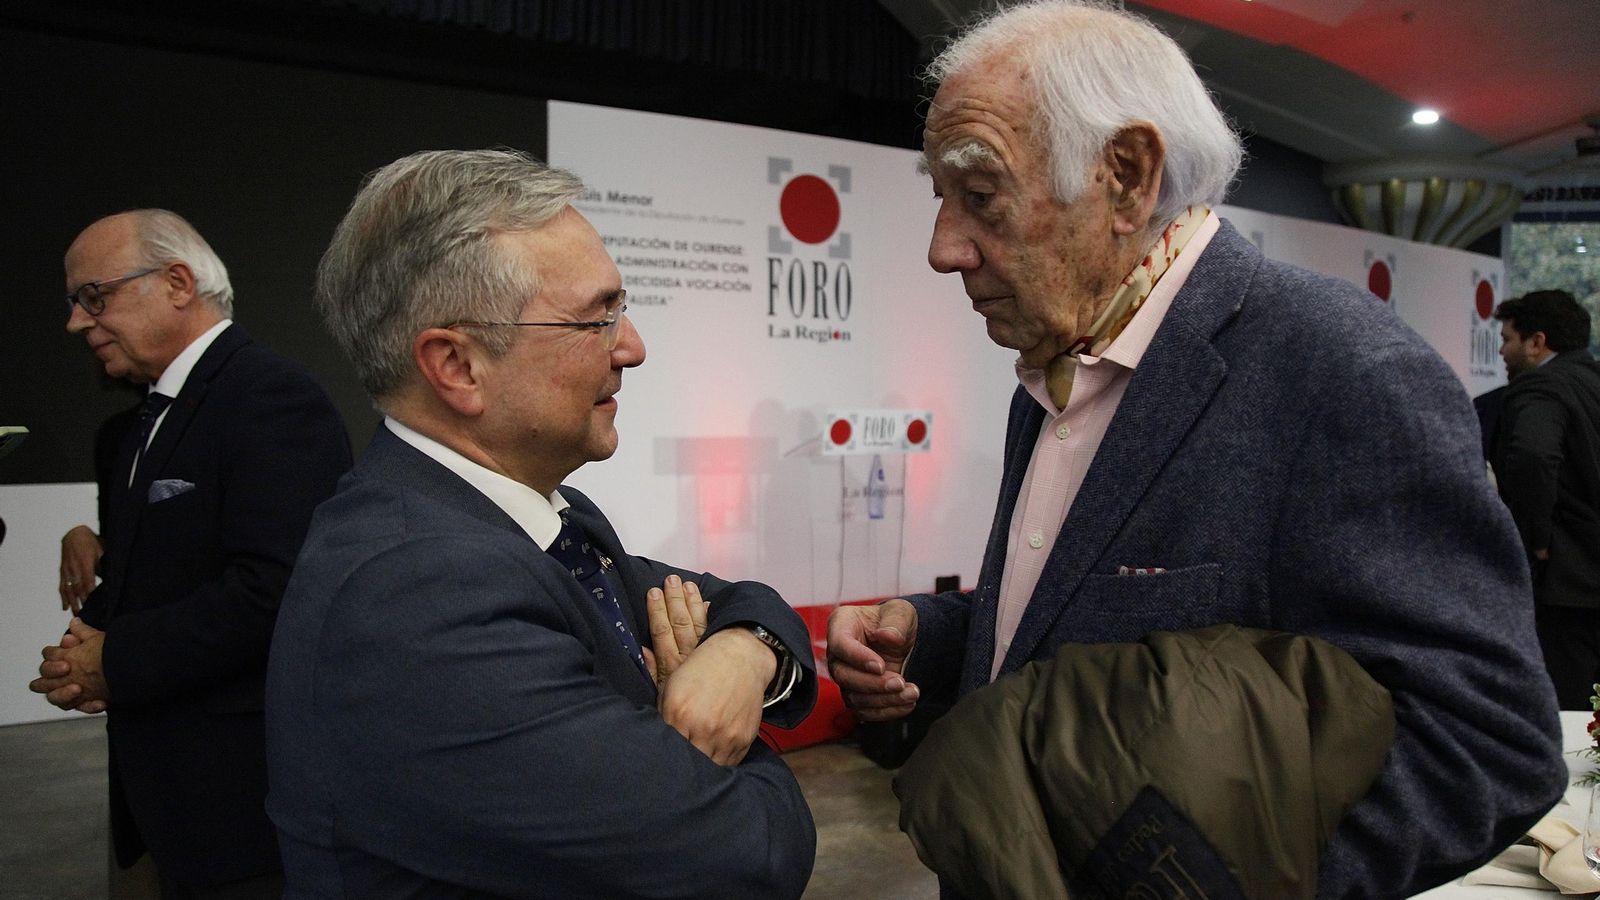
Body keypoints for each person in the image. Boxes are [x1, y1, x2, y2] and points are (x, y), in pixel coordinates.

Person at [825, 2, 1565, 896]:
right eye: (942, 199)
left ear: (1127, 178)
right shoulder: (1059, 365)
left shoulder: (1342, 369)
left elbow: (1487, 743)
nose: (943, 249)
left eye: (980, 196)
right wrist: (938, 634)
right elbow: (1092, 605)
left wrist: (1183, 882)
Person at [266, 148, 817, 898]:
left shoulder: (542, 518)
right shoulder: (418, 596)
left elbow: (738, 601)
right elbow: (746, 855)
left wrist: (741, 657)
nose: (632, 347)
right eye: (597, 319)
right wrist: (715, 740)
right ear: (457, 366)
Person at [30, 209, 353, 897]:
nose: (77, 323)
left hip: (239, 809)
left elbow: (276, 590)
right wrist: (81, 649)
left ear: (178, 283)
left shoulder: (269, 397)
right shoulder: (145, 420)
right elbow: (146, 568)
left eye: (94, 296)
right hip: (165, 798)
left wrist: (114, 660)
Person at [1490, 289, 1600, 709]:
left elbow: (1533, 456)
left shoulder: (1540, 387)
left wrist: (1536, 537)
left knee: (1565, 710)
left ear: (1537, 342)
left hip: (1565, 585)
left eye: (1507, 339)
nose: (1501, 351)